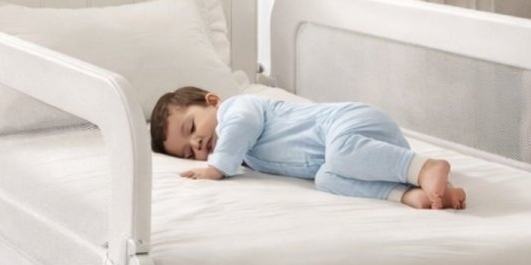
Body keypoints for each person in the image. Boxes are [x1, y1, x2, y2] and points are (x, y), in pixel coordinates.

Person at [150, 86, 467, 210]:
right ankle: (412, 192)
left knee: (340, 154)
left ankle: (424, 167)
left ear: (212, 101)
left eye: (191, 128)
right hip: (354, 156)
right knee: (328, 179)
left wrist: (215, 167)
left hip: (347, 122)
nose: (196, 144)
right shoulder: (244, 156)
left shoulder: (236, 109)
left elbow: (241, 126)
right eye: (189, 153)